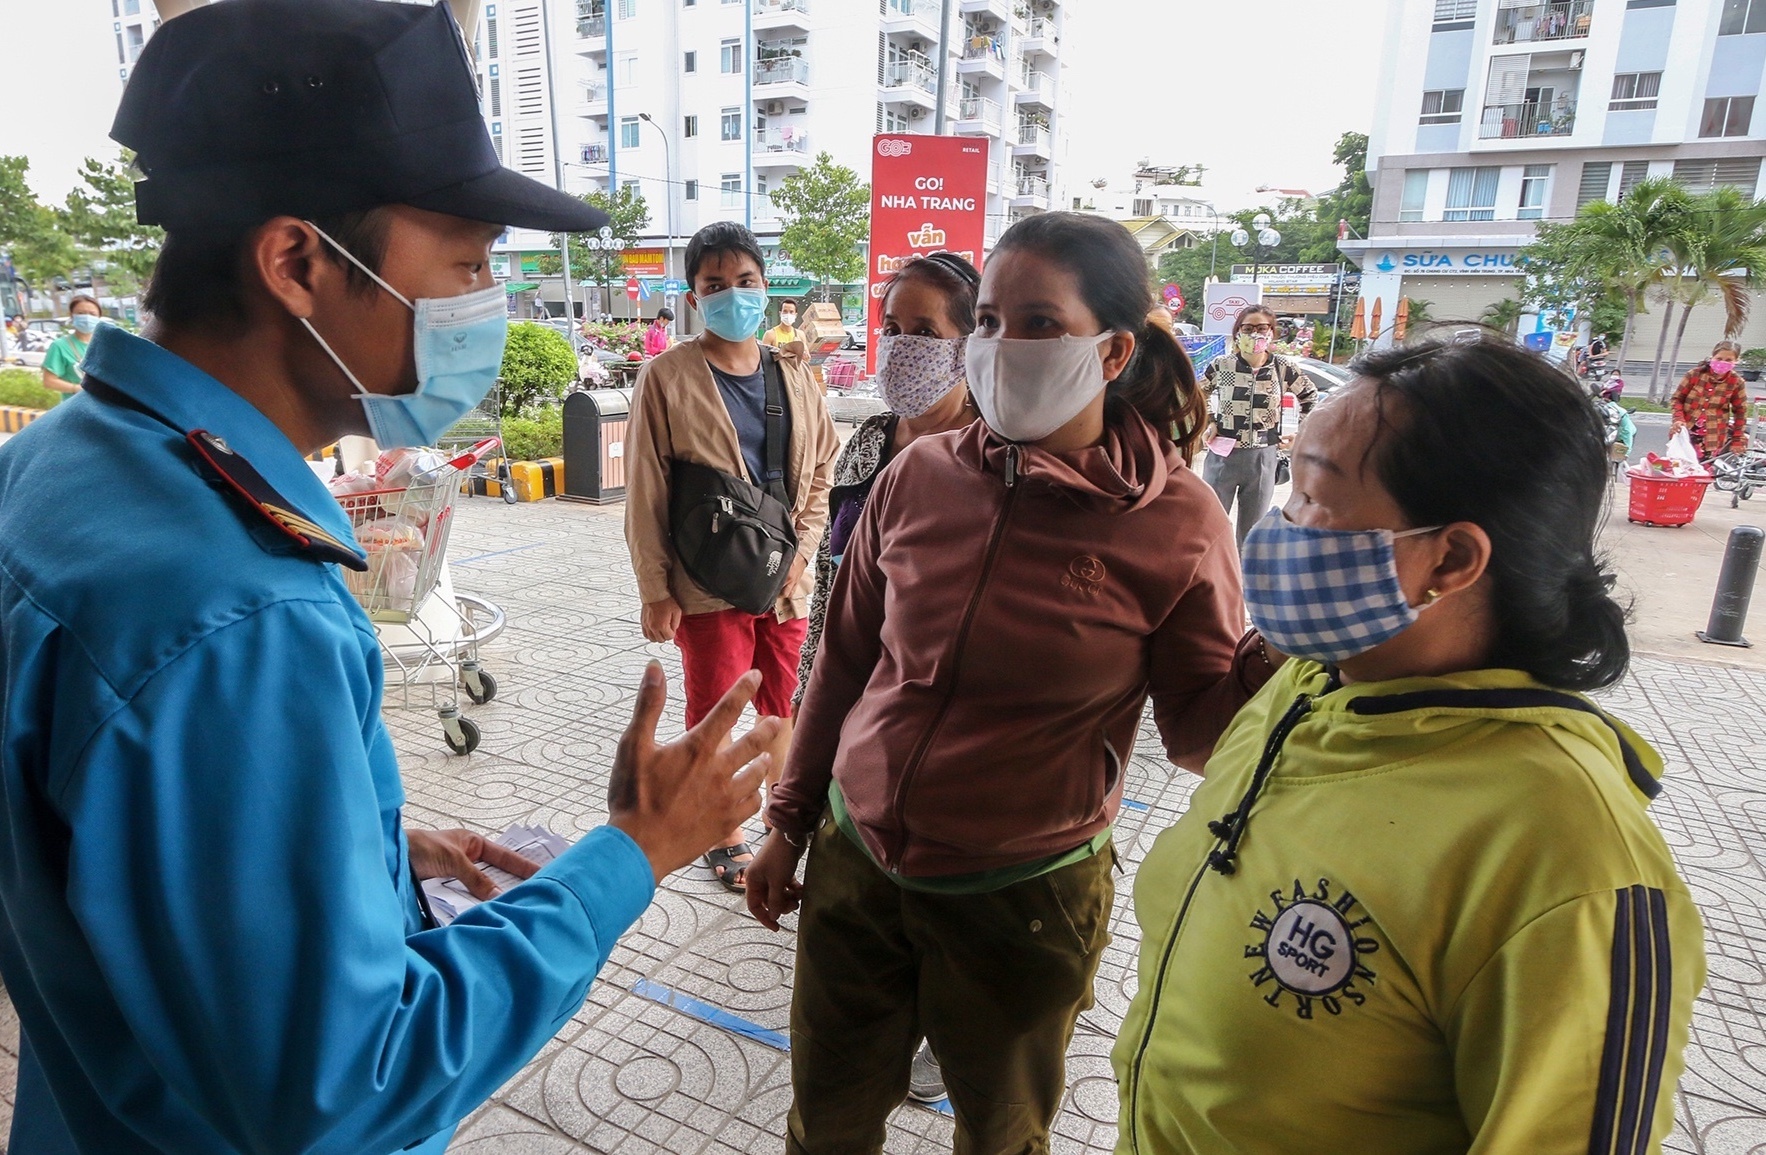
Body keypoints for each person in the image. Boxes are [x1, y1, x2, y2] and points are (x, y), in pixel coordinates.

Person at [0, 4, 780, 1153]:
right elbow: (348, 1086)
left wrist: (360, 859)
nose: (484, 298)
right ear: (298, 263)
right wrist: (631, 852)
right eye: (466, 261)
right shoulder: (241, 610)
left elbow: (112, 841)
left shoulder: (53, 467)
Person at [746, 212, 1278, 1154]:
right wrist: (789, 822)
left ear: (1112, 351)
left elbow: (1200, 736)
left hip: (1024, 897)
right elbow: (845, 661)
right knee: (824, 1124)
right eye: (989, 320)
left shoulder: (1180, 522)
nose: (1000, 345)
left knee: (1002, 1136)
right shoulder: (918, 475)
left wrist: (1274, 668)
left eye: (1039, 323)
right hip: (858, 865)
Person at [1113, 336, 1703, 1154]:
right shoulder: (1309, 686)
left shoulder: (1567, 856)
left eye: (1313, 496)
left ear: (1450, 558)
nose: (1281, 526)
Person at [788, 249, 982, 1108]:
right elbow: (833, 586)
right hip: (855, 705)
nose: (902, 346)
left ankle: (947, 1031)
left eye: (924, 331)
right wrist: (808, 700)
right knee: (866, 895)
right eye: (892, 327)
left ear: (970, 343)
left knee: (949, 897)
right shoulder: (869, 443)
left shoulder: (998, 453)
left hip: (950, 724)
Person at [625, 221, 840, 891]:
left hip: (785, 581)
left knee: (785, 704)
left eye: (745, 281)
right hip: (707, 581)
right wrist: (655, 588)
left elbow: (822, 471)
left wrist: (803, 554)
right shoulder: (667, 376)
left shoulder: (794, 374)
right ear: (694, 296)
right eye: (715, 284)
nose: (733, 295)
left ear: (764, 288)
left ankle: (783, 822)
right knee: (717, 707)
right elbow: (647, 488)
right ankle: (721, 831)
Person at [1201, 303, 1318, 547]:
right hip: (1223, 453)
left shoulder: (1283, 368)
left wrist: (1299, 432)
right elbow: (1198, 393)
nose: (1254, 334)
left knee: (1251, 531)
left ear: (1271, 332)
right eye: (1248, 328)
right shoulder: (1222, 364)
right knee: (1210, 525)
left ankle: (1244, 571)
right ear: (1238, 332)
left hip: (1263, 457)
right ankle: (1214, 569)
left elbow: (1310, 397)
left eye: (1261, 328)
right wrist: (1210, 421)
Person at [1671, 340, 1749, 463]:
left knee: (1703, 471)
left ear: (1736, 361)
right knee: (1677, 467)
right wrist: (1678, 419)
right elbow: (1677, 399)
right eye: (1719, 358)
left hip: (1712, 437)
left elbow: (1741, 412)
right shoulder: (1694, 375)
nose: (1722, 363)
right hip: (1684, 432)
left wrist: (1737, 440)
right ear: (1712, 357)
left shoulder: (1736, 382)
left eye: (1728, 360)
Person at [40, 293, 104, 393]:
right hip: (76, 402)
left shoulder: (107, 345)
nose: (87, 318)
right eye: (81, 313)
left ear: (99, 317)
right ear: (71, 315)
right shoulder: (60, 346)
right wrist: (78, 389)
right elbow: (49, 381)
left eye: (92, 314)